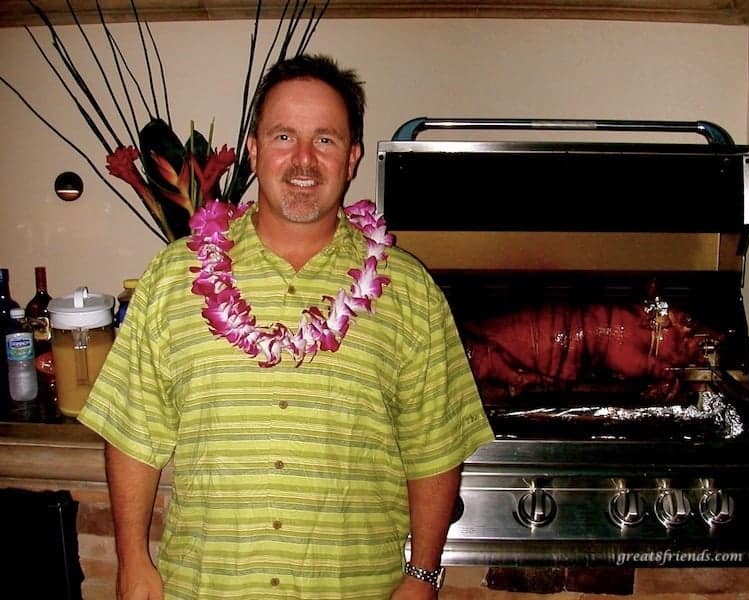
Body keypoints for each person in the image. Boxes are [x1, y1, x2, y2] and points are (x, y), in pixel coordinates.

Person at [78, 54, 494, 600]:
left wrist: (422, 577)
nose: (303, 160)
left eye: (325, 140)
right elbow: (134, 432)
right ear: (253, 151)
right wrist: (132, 560)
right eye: (283, 136)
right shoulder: (174, 276)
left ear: (351, 159)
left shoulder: (409, 290)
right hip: (207, 587)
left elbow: (434, 448)